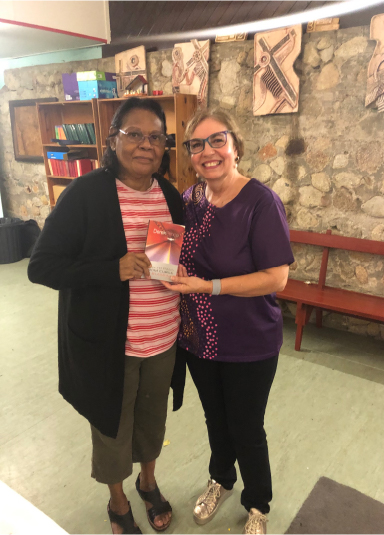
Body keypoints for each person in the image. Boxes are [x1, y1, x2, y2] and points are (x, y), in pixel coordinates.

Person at [28, 98, 184, 535]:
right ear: (113, 140)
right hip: (108, 344)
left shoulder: (170, 196)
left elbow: (167, 261)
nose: (145, 145)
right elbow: (41, 267)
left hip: (163, 337)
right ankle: (118, 503)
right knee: (112, 427)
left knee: (152, 421)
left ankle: (148, 482)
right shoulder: (85, 195)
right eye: (134, 134)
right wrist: (110, 270)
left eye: (155, 137)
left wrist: (178, 273)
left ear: (164, 146)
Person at [162, 108, 294, 535]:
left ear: (235, 146)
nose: (208, 151)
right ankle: (220, 479)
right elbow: (169, 254)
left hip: (249, 340)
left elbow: (276, 278)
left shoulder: (260, 202)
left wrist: (209, 286)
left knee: (246, 427)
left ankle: (258, 503)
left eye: (217, 140)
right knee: (215, 420)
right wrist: (167, 269)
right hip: (198, 338)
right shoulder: (188, 200)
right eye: (196, 145)